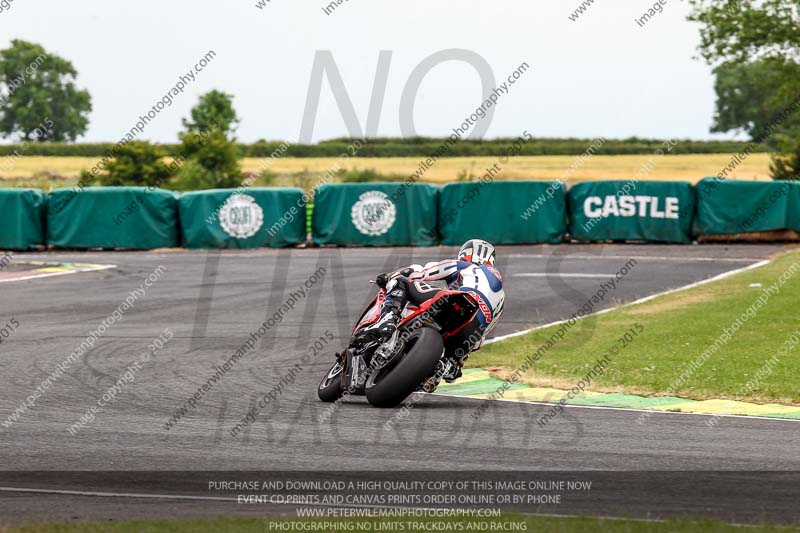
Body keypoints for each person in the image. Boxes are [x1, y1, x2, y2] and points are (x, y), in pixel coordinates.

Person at [361, 239, 505, 382]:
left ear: (466, 255)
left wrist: (390, 277)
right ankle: (446, 366)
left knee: (401, 282)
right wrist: (460, 357)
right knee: (454, 362)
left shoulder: (466, 266)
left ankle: (389, 317)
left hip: (456, 301)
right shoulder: (502, 297)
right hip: (473, 331)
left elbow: (424, 272)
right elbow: (482, 336)